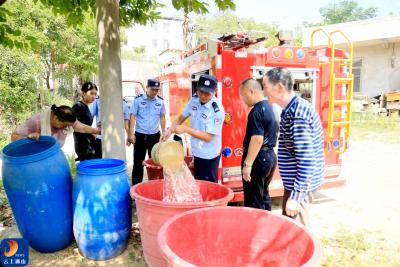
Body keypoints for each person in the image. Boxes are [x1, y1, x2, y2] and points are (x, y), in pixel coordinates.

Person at [262, 67, 324, 225]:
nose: (263, 91)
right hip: (296, 184)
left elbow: (307, 161)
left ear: (279, 87)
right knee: (290, 228)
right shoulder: (290, 110)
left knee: (296, 233)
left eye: (265, 86)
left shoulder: (297, 115)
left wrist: (295, 197)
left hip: (300, 187)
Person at [162, 74, 225, 183]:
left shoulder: (217, 111)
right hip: (197, 153)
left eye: (207, 93)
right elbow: (181, 117)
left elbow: (208, 137)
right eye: (201, 92)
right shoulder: (194, 100)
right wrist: (169, 131)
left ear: (214, 91)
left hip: (208, 156)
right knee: (199, 186)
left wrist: (186, 129)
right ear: (197, 89)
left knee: (208, 190)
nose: (203, 96)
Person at [239, 78, 278, 210]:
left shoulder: (256, 111)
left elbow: (257, 139)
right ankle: (267, 224)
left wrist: (248, 164)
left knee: (254, 199)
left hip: (259, 158)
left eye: (243, 96)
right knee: (263, 194)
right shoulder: (271, 107)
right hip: (270, 157)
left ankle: (256, 228)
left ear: (251, 91)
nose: (243, 100)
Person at [128, 78, 166, 185]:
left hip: (155, 136)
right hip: (140, 136)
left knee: (155, 162)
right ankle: (136, 188)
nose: (154, 92)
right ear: (146, 88)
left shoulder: (160, 101)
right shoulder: (138, 100)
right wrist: (131, 133)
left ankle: (153, 186)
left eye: (156, 90)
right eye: (152, 89)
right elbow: (133, 116)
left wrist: (164, 132)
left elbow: (162, 117)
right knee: (138, 163)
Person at [11, 104, 100, 147]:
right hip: (34, 162)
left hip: (53, 159)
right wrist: (29, 138)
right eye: (64, 125)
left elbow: (83, 128)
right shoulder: (37, 121)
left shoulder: (68, 122)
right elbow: (14, 136)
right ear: (56, 118)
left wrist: (98, 131)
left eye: (69, 126)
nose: (67, 128)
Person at [72, 82, 99, 161]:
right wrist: (97, 131)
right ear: (83, 93)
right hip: (83, 146)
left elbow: (85, 124)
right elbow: (77, 127)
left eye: (95, 94)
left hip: (89, 145)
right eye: (91, 93)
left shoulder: (85, 106)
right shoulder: (78, 106)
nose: (94, 96)